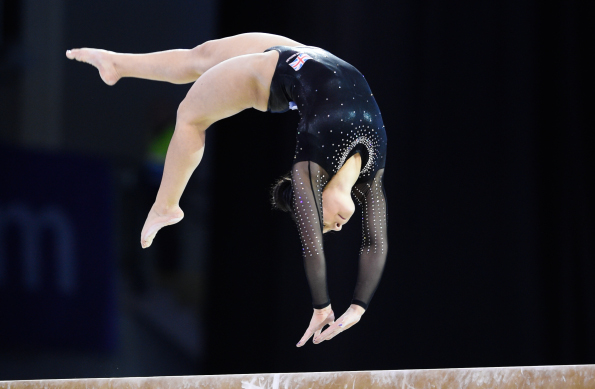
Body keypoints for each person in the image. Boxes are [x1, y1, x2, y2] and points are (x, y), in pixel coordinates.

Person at [66, 32, 388, 347]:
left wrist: (343, 306)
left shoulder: (319, 164)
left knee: (190, 113)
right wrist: (339, 306)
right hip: (300, 56)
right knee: (200, 62)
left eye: (324, 226)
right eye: (325, 223)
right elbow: (348, 242)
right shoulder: (360, 167)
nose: (333, 227)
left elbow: (348, 242)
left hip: (281, 72)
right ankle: (117, 66)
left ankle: (166, 203)